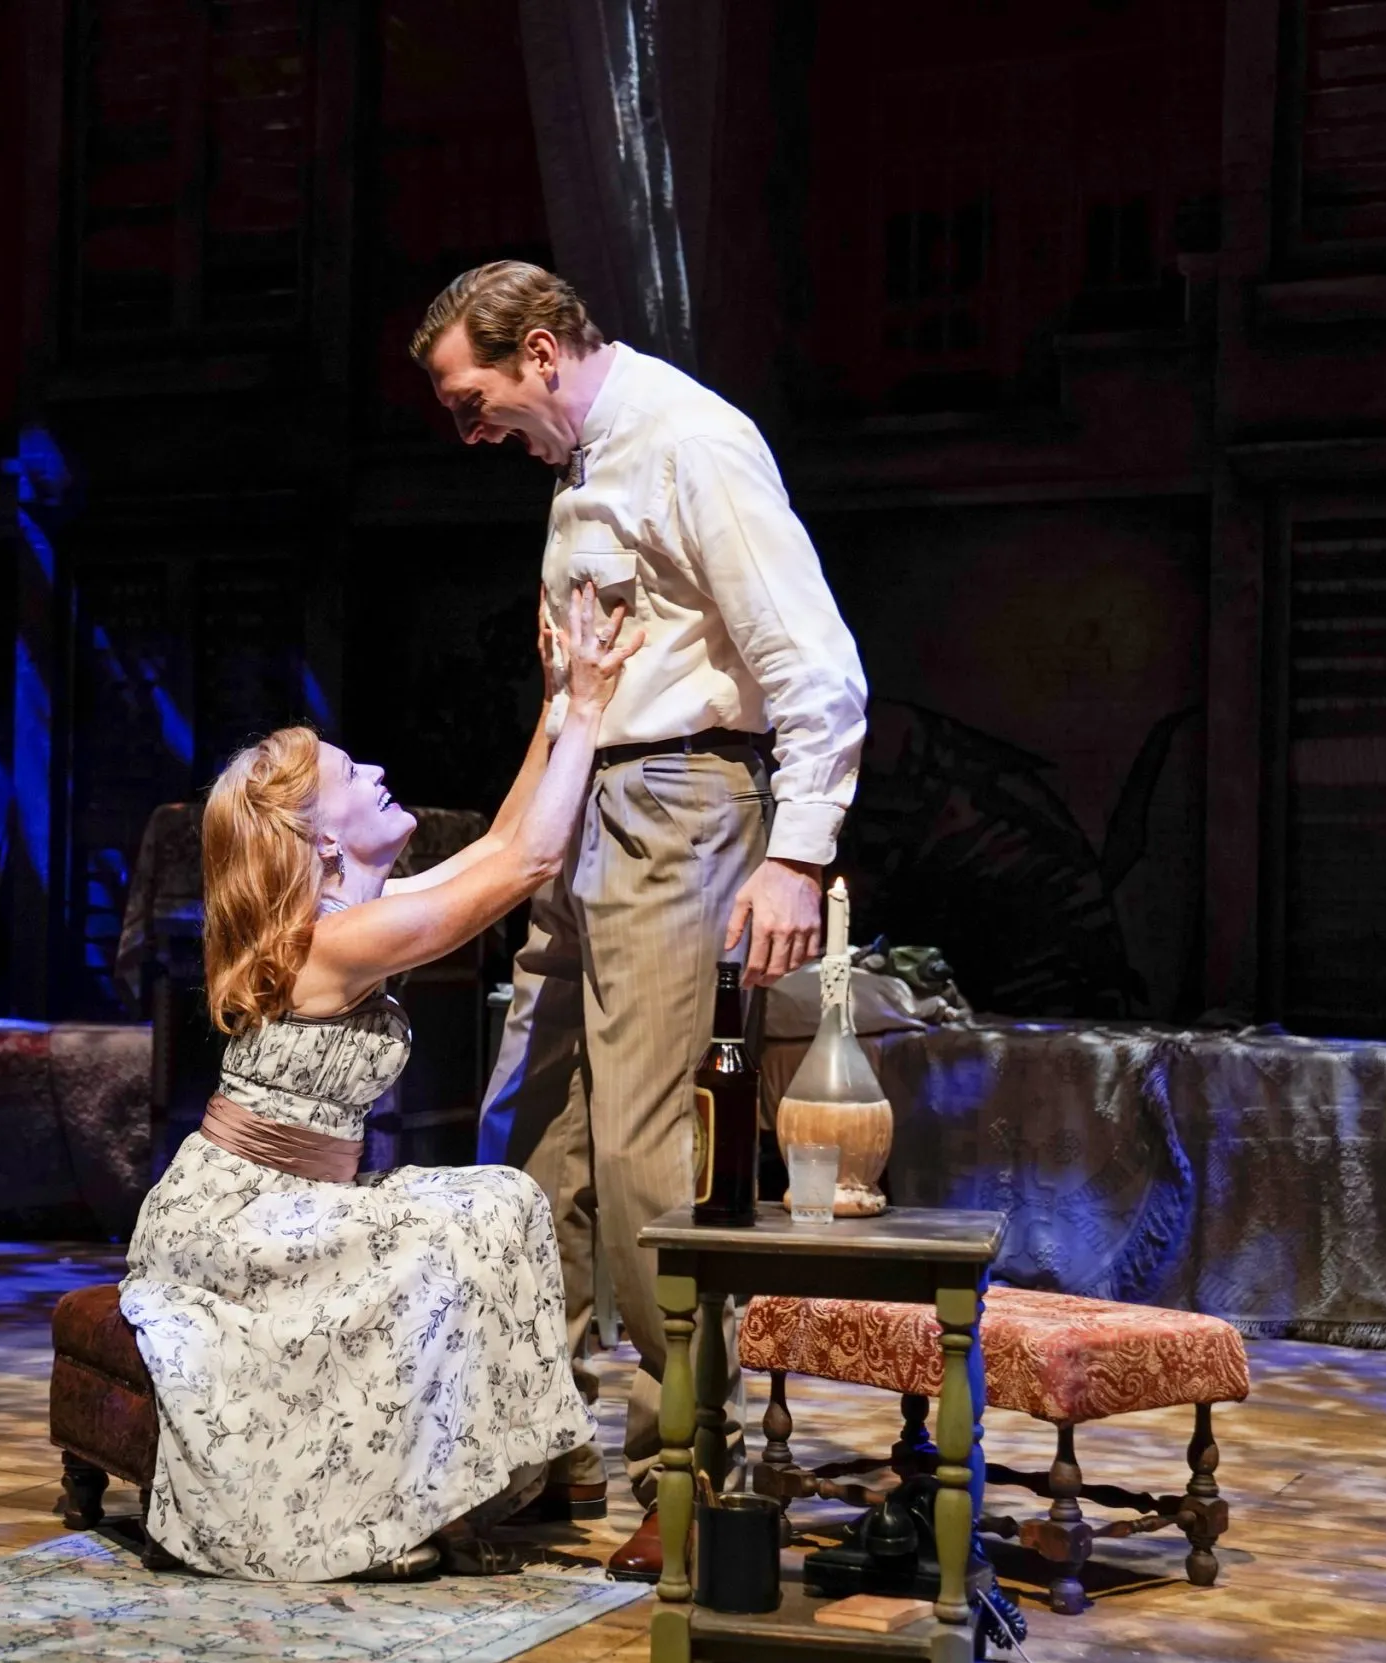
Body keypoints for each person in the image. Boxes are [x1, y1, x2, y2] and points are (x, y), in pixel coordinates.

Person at [411, 261, 869, 1577]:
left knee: (646, 1149)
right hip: (585, 799)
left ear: (543, 350)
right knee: (523, 1133)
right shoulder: (581, 461)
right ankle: (535, 1438)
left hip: (677, 799)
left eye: (474, 396)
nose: (472, 428)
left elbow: (818, 669)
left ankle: (699, 1464)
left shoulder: (691, 442)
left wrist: (795, 857)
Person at [118, 585, 646, 1583]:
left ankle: (484, 1474)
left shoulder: (359, 912)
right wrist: (586, 708)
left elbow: (496, 845)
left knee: (493, 1200)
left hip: (294, 1201)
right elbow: (531, 857)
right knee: (478, 1212)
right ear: (320, 837)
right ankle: (417, 1493)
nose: (379, 772)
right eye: (355, 774)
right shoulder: (334, 941)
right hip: (234, 1223)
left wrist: (556, 701)